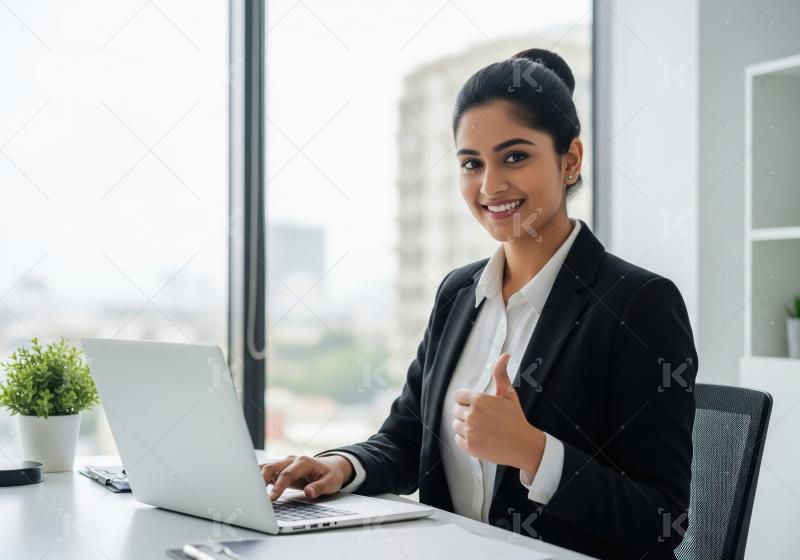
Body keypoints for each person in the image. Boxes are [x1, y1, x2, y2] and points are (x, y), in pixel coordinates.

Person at [259, 48, 697, 560]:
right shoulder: (458, 293)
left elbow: (663, 520)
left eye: (515, 157)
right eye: (472, 163)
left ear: (570, 160)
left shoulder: (638, 303)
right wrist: (340, 467)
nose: (490, 186)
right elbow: (406, 439)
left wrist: (534, 452)